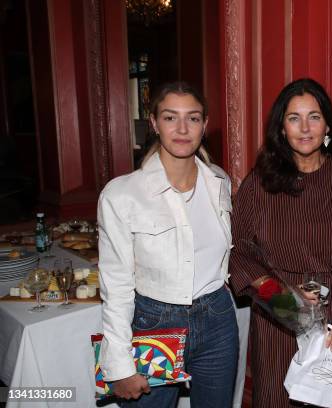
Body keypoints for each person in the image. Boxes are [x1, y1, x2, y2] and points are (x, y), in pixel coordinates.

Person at [229, 78, 332, 407]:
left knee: (328, 400)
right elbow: (239, 253)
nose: (305, 128)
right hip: (278, 320)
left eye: (314, 117)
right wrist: (283, 301)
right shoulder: (259, 184)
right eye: (294, 118)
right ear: (281, 128)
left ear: (327, 126)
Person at [97, 81, 238, 407]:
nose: (182, 128)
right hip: (154, 321)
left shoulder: (219, 181)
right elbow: (116, 286)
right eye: (171, 117)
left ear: (204, 125)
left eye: (192, 118)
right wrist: (119, 365)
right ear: (154, 123)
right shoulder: (121, 195)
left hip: (217, 317)